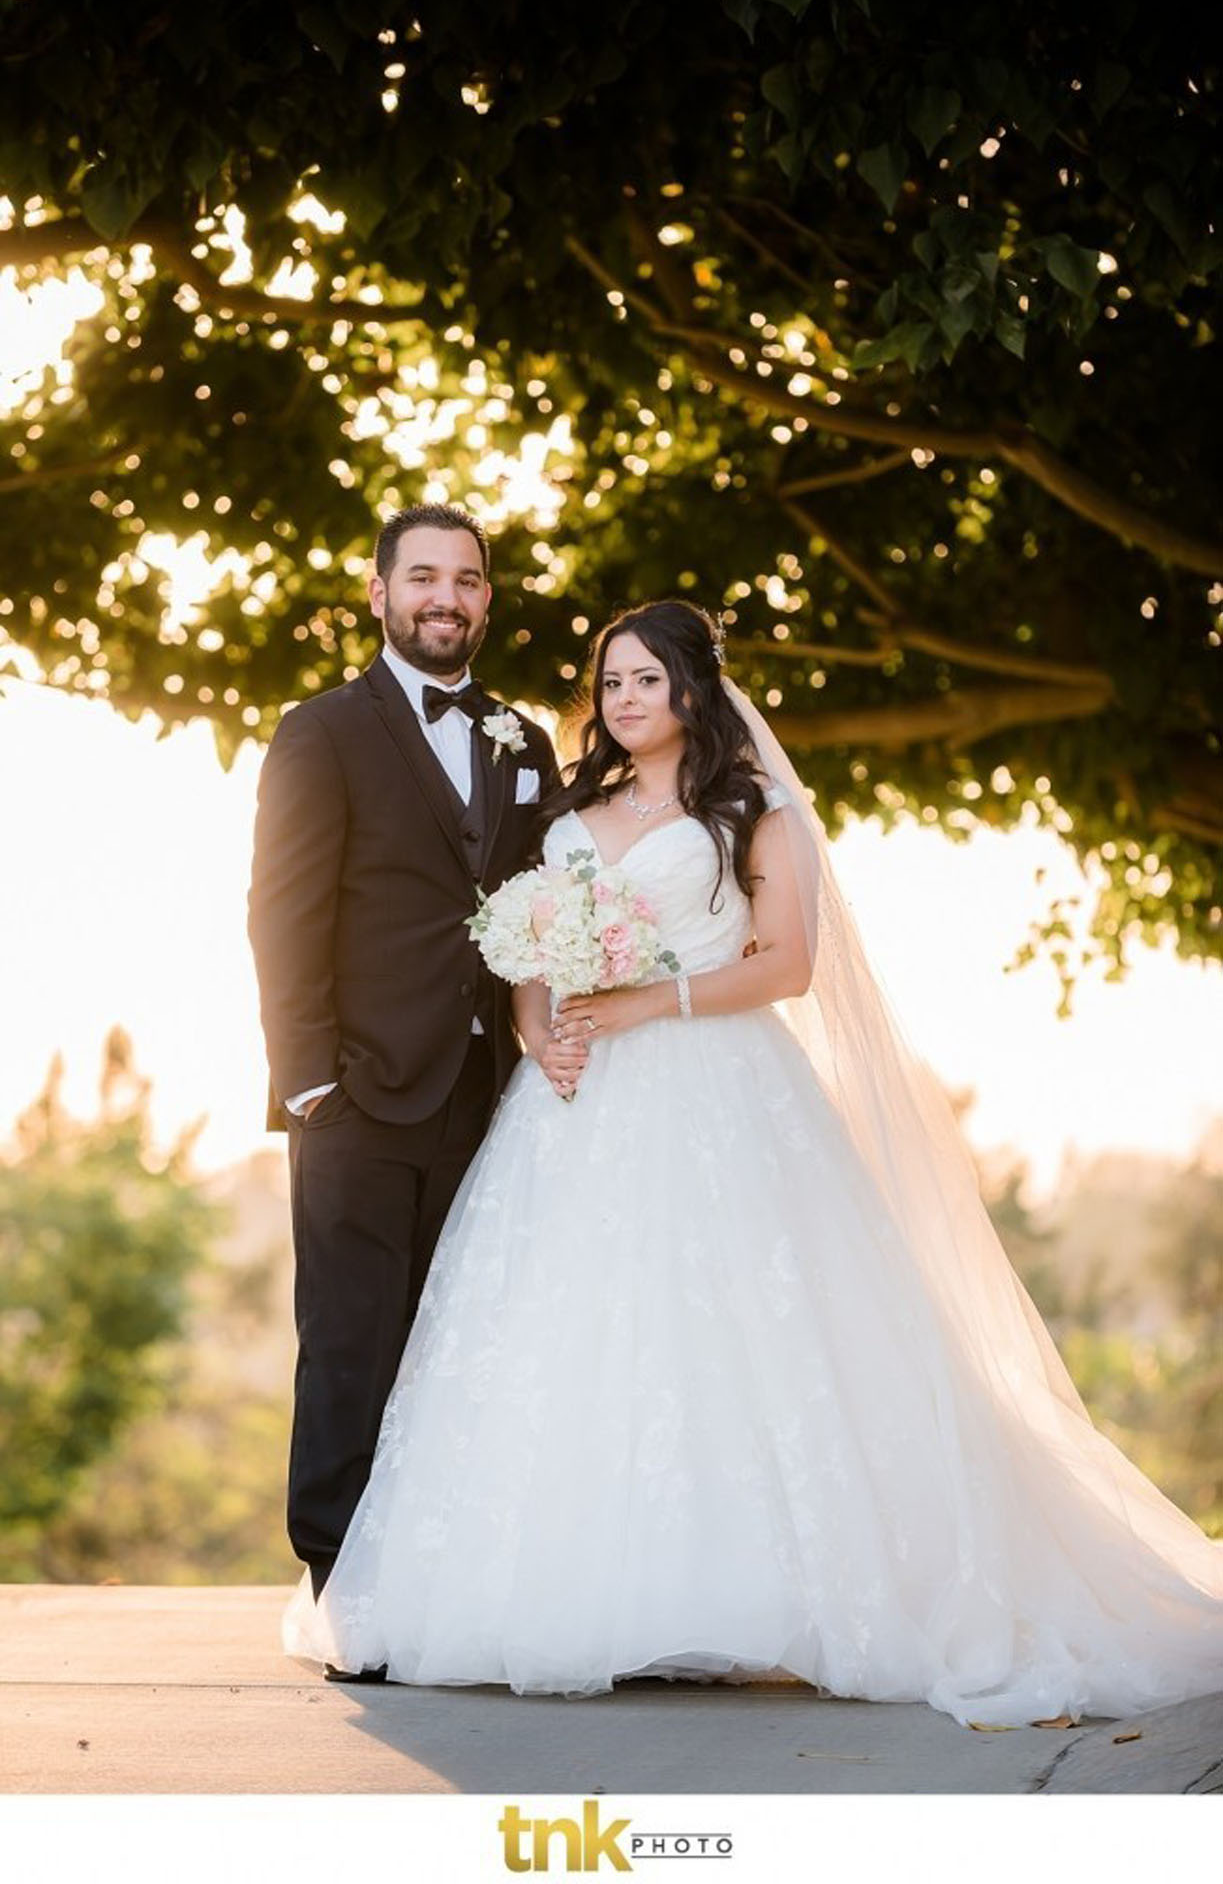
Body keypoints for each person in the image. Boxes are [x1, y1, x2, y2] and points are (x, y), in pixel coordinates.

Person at [283, 598, 1223, 1726]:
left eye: (644, 679)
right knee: (575, 1332)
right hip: (572, 1103)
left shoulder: (751, 808)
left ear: (692, 686)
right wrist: (543, 1028)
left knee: (725, 1325)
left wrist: (643, 1003)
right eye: (609, 682)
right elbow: (530, 934)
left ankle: (748, 1599)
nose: (623, 701)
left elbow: (785, 966)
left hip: (714, 1084)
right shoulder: (574, 803)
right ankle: (593, 1592)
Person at [247, 502, 559, 1622]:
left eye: (466, 579)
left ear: (486, 599)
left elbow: (546, 899)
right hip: (358, 1095)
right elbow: (281, 911)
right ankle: (341, 1593)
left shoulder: (522, 740)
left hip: (486, 1097)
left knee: (457, 1347)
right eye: (421, 577)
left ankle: (440, 1588)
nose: (445, 597)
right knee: (349, 1345)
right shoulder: (320, 731)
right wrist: (309, 1083)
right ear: (377, 595)